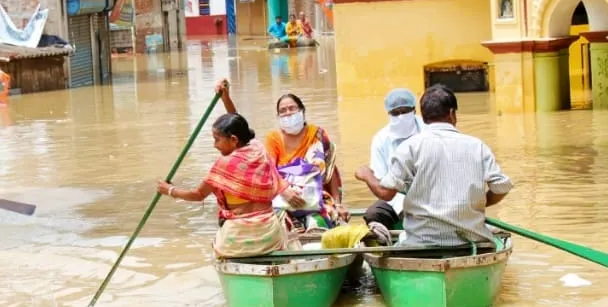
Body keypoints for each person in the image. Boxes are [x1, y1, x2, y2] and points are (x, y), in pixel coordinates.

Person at [355, 85, 514, 248]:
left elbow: (385, 193)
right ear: (452, 113)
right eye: (396, 113)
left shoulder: (409, 147)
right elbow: (501, 188)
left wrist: (366, 174)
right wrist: (478, 203)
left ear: (421, 117)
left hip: (420, 242)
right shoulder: (478, 146)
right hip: (471, 240)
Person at [156, 112, 301, 258]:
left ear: (233, 139)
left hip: (237, 238)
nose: (214, 145)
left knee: (216, 247)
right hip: (269, 234)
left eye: (217, 140)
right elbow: (241, 126)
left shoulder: (224, 164)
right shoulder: (259, 150)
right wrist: (225, 97)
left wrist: (169, 190)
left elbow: (198, 195)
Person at [218, 79, 346, 230]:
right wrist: (285, 192)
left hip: (316, 197)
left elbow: (331, 173)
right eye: (283, 111)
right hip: (283, 197)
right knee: (278, 223)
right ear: (278, 117)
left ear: (302, 112)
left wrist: (339, 205)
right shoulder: (274, 139)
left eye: (292, 108)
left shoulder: (317, 134)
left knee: (325, 218)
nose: (288, 113)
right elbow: (268, 169)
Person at [361, 88, 426, 242]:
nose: (401, 117)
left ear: (414, 110)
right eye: (395, 113)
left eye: (405, 111)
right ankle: (385, 249)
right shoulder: (381, 139)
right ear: (389, 114)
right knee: (373, 214)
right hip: (396, 197)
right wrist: (403, 207)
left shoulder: (427, 130)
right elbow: (382, 182)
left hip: (429, 195)